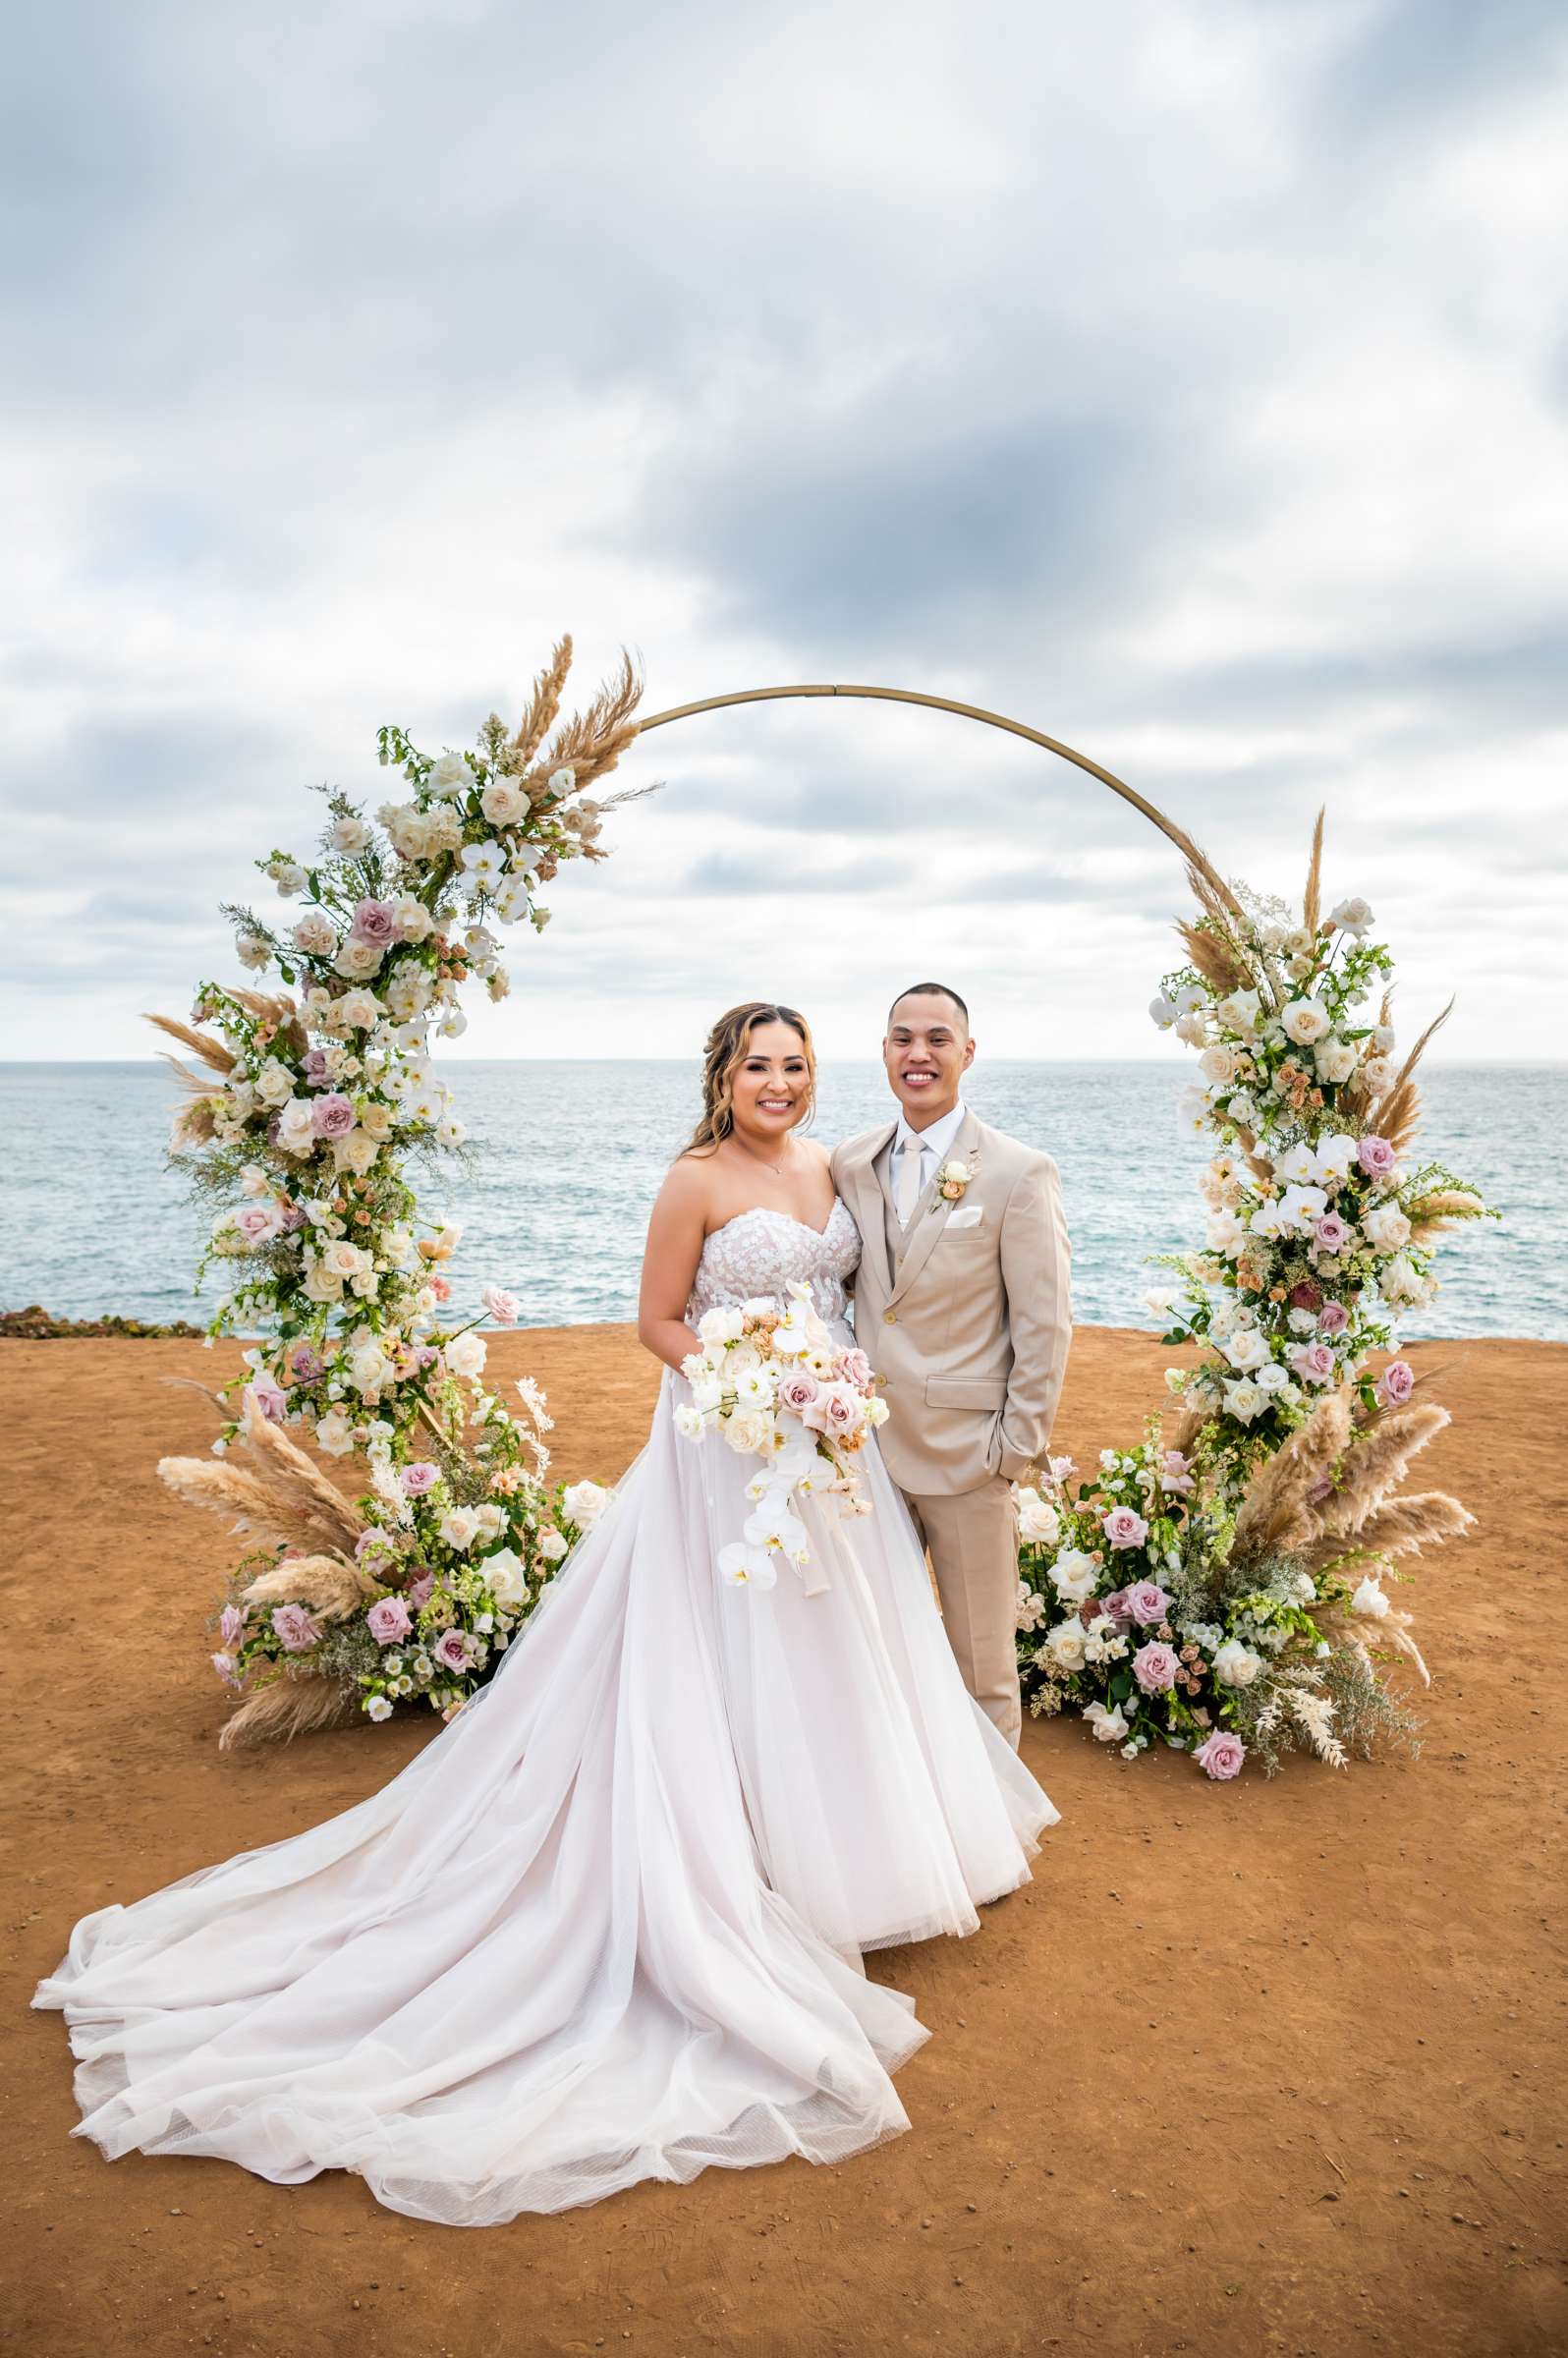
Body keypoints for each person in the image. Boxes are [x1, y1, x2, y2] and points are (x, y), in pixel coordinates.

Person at [32, 1001, 1057, 2228]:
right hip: (725, 1445)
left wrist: (819, 1388)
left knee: (844, 1652)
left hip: (825, 1454)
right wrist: (742, 1381)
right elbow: (658, 1321)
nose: (776, 1084)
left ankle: (849, 1854)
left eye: (793, 1066)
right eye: (755, 1067)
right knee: (726, 1651)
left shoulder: (832, 1165)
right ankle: (739, 1868)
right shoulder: (694, 1179)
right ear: (721, 1077)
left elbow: (861, 1298)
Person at [831, 983, 1073, 1749]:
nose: (919, 1054)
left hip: (970, 1456)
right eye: (903, 1038)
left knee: (983, 1665)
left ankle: (994, 1839)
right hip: (865, 1454)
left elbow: (1044, 1322)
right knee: (872, 1652)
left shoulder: (1016, 1172)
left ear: (968, 1054)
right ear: (884, 1053)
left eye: (938, 1039)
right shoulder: (852, 1162)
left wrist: (1015, 1449)